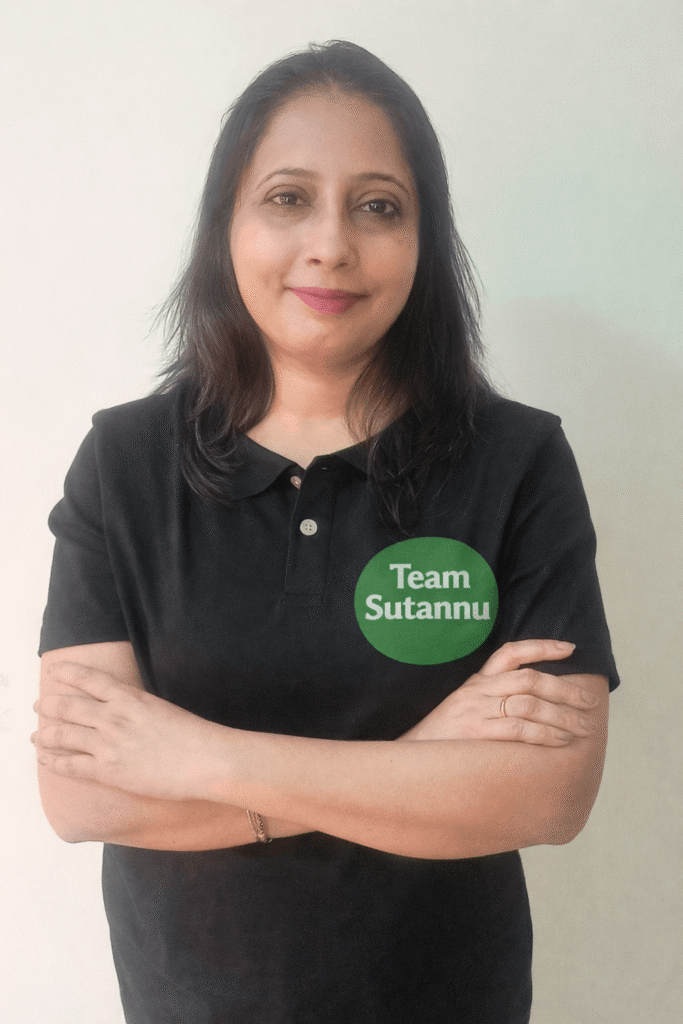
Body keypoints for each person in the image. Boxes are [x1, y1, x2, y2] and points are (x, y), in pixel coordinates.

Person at [32, 40, 618, 1024]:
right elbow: (83, 797)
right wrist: (424, 753)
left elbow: (547, 796)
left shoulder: (517, 461)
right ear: (226, 223)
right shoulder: (123, 463)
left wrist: (196, 756)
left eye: (378, 206)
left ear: (425, 237)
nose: (331, 245)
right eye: (288, 198)